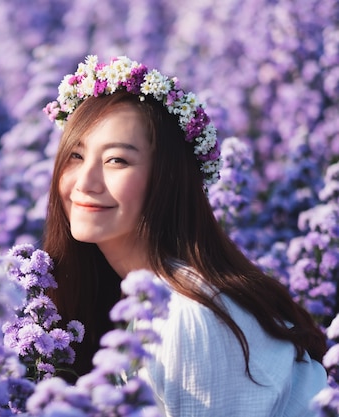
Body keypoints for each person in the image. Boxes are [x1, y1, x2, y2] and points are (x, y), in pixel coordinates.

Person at [42, 55, 328, 416]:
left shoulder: (187, 315)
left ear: (167, 180)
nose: (85, 183)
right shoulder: (141, 298)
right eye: (76, 155)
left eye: (117, 160)